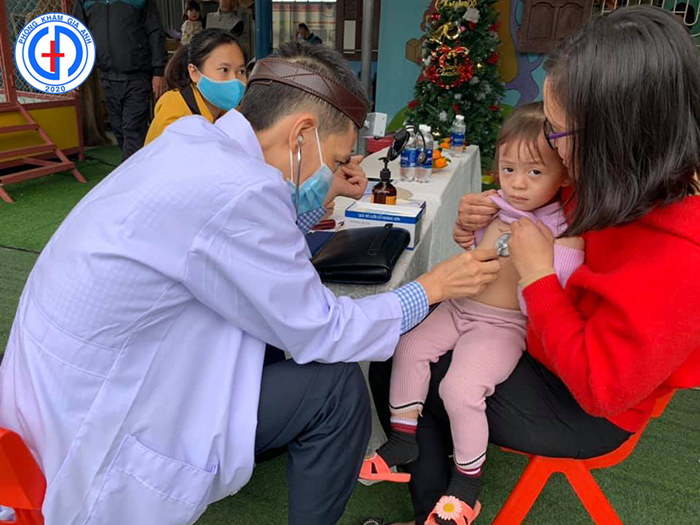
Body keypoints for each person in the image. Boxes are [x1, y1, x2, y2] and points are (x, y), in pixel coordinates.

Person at [0, 42, 502, 525]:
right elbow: (322, 329)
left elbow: (241, 254)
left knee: (277, 349)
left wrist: (316, 197)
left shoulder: (196, 141)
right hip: (102, 426)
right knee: (336, 386)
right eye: (335, 159)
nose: (334, 171)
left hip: (56, 394)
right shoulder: (239, 189)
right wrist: (431, 288)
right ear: (301, 133)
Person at [367, 7, 700, 525]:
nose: (553, 150)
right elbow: (540, 207)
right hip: (541, 339)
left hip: (586, 404)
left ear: (616, 137)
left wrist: (539, 276)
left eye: (559, 135)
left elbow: (600, 389)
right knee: (404, 344)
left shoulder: (680, 252)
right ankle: (435, 495)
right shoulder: (615, 181)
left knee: (423, 373)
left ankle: (445, 501)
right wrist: (485, 213)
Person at [360, 103, 584, 523]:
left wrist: (549, 256)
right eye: (508, 169)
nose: (518, 183)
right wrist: (467, 229)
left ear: (565, 176)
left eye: (535, 172)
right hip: (460, 305)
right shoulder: (494, 204)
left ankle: (467, 482)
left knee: (460, 388)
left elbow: (553, 295)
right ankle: (404, 437)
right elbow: (470, 242)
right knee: (408, 347)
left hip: (503, 326)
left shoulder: (562, 230)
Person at [73, 0, 167, 161]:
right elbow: (77, 33)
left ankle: (130, 174)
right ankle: (138, 168)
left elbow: (155, 31)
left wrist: (159, 71)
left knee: (133, 130)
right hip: (107, 77)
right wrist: (74, 73)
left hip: (137, 77)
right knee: (119, 131)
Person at [145, 29, 247, 145]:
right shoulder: (176, 120)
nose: (234, 79)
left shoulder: (230, 112)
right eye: (224, 70)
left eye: (241, 71)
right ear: (194, 72)